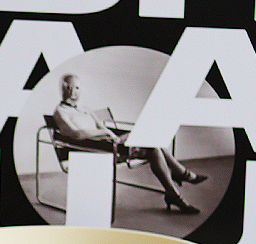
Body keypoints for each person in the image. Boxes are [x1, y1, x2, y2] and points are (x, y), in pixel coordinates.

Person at [52, 74, 206, 215]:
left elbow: (101, 126)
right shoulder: (60, 112)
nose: (73, 92)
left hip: (110, 144)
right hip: (95, 151)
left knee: (152, 140)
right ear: (62, 89)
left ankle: (177, 183)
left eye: (77, 87)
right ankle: (179, 179)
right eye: (68, 87)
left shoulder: (85, 108)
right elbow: (76, 134)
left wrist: (113, 136)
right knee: (153, 147)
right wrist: (106, 134)